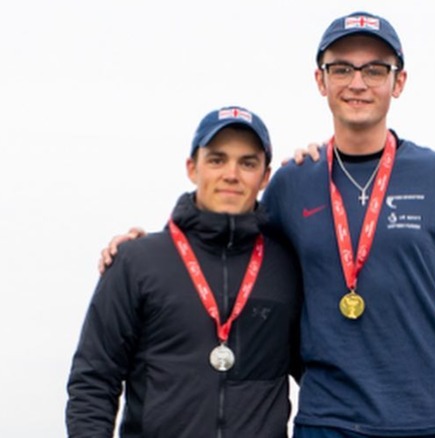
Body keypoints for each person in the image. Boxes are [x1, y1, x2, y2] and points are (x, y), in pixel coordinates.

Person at [258, 11, 435, 437]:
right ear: (320, 80)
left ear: (398, 82)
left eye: (375, 70)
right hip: (331, 421)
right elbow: (230, 261)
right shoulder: (292, 184)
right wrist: (138, 248)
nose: (358, 83)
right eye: (342, 68)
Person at [67, 106, 303, 437]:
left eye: (247, 163)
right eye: (217, 160)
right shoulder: (137, 262)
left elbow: (323, 369)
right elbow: (94, 380)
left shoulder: (288, 266)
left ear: (265, 176)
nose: (231, 174)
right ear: (192, 168)